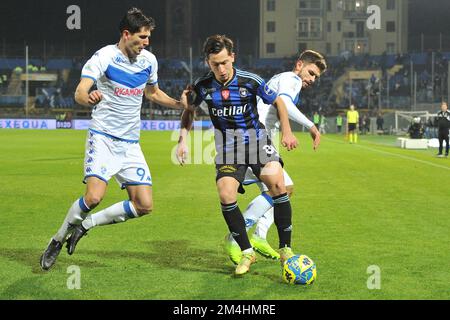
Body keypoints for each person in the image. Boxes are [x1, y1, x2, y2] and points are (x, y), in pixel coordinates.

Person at [40, 8, 188, 271]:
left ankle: (85, 225)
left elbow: (153, 94)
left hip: (131, 144)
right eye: (142, 37)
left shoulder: (149, 61)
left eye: (148, 37)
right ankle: (57, 238)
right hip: (104, 138)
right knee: (94, 197)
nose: (146, 42)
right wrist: (90, 97)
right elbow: (80, 92)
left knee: (144, 205)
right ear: (126, 34)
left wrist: (180, 104)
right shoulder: (104, 57)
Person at [176, 35, 299, 276]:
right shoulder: (202, 86)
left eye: (224, 62)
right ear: (208, 62)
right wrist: (183, 140)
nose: (221, 69)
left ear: (232, 57)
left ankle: (285, 249)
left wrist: (286, 130)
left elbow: (279, 103)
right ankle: (246, 251)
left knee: (278, 184)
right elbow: (189, 111)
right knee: (225, 193)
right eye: (215, 64)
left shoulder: (250, 80)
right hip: (228, 148)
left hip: (256, 141)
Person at [222, 50, 326, 264]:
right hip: (254, 143)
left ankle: (258, 237)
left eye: (316, 77)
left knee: (278, 190)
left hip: (252, 140)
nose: (312, 80)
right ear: (299, 65)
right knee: (283, 188)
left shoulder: (280, 78)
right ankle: (235, 237)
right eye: (311, 73)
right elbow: (285, 104)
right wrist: (311, 126)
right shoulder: (292, 79)